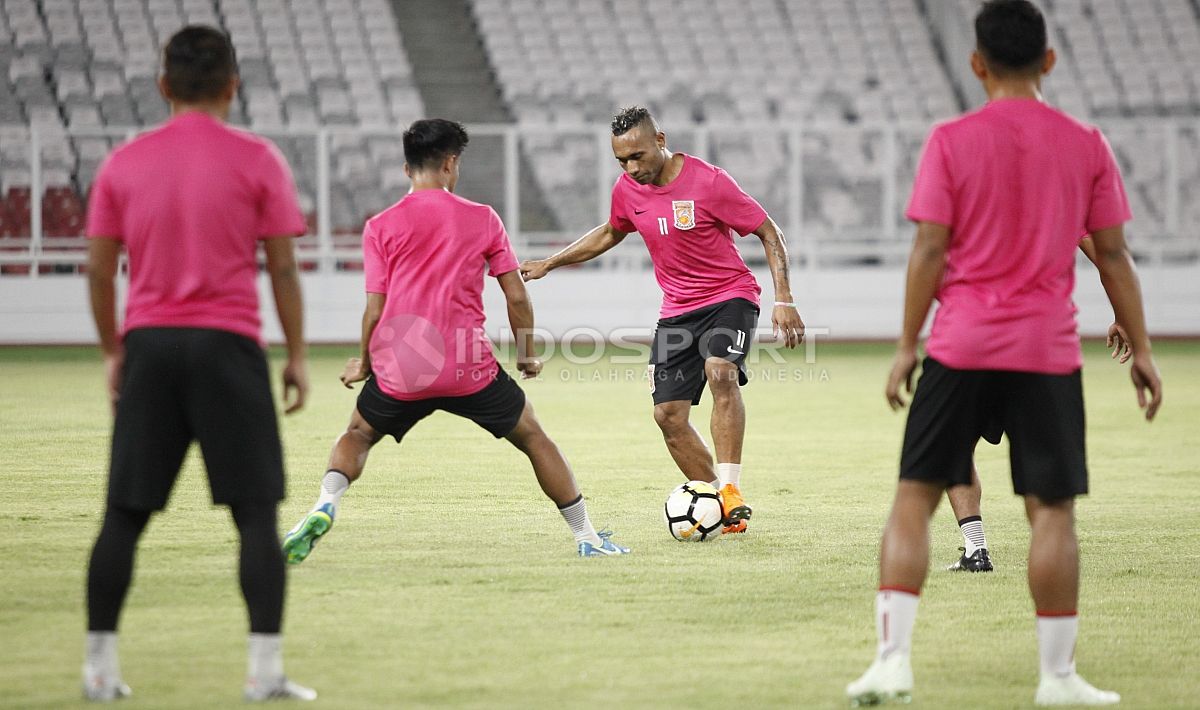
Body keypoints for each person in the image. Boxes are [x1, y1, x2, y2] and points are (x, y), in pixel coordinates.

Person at [845, 1, 1163, 706]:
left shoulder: (952, 140)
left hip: (961, 346)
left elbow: (929, 247)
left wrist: (905, 345)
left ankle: (892, 662)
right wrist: (1140, 346)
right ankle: (1058, 678)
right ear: (1049, 60)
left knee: (913, 500)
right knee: (1052, 512)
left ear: (976, 64)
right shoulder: (1086, 144)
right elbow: (1112, 255)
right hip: (1047, 351)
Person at [84, 26, 314, 702]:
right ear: (231, 87)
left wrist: (112, 351)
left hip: (150, 347)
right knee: (254, 518)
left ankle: (98, 672)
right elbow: (281, 267)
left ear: (163, 87)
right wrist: (296, 354)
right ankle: (264, 674)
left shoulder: (122, 163)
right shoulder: (259, 159)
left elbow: (99, 271)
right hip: (228, 347)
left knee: (123, 515)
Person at [281, 119, 629, 562]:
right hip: (468, 367)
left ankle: (324, 504)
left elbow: (374, 309)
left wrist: (365, 363)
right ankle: (587, 536)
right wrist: (527, 356)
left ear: (407, 168)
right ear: (451, 164)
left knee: (357, 433)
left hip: (402, 367)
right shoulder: (482, 218)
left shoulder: (380, 227)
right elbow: (516, 295)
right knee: (534, 438)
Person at [519, 107, 805, 534]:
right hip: (677, 312)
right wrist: (552, 263)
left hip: (730, 297)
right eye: (621, 161)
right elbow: (610, 232)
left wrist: (784, 298)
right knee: (668, 416)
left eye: (637, 156)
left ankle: (730, 489)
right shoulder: (627, 190)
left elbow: (769, 231)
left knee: (720, 370)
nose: (631, 168)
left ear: (660, 140)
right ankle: (719, 506)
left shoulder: (709, 181)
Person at [947, 245, 1133, 574]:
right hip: (1044, 345)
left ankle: (977, 548)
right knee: (1046, 464)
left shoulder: (980, 198)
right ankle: (1052, 555)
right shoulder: (1061, 198)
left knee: (951, 450)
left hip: (983, 341)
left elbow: (935, 255)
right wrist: (1124, 315)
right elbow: (1109, 254)